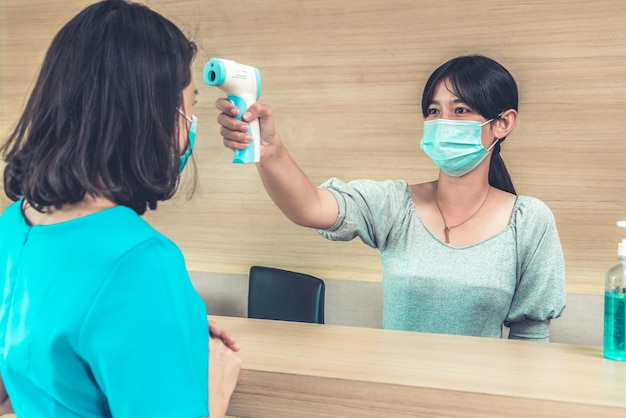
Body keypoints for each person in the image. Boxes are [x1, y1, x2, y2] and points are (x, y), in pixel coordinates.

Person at [216, 54, 566, 342]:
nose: (442, 122)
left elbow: (531, 338)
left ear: (503, 122)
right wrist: (270, 150)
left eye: (460, 111)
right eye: (433, 111)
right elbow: (310, 207)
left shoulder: (529, 221)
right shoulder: (395, 204)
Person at [0, 1, 241, 416]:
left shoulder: (13, 224)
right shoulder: (141, 262)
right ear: (153, 117)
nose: (190, 123)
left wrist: (161, 329)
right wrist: (214, 392)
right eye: (192, 106)